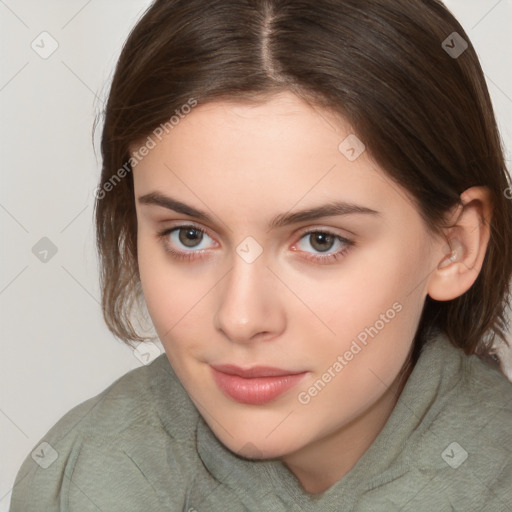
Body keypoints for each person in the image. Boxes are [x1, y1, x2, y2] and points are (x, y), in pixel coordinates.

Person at [10, 0, 512, 510]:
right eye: (188, 235)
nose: (241, 318)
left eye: (321, 241)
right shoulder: (70, 479)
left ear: (455, 246)